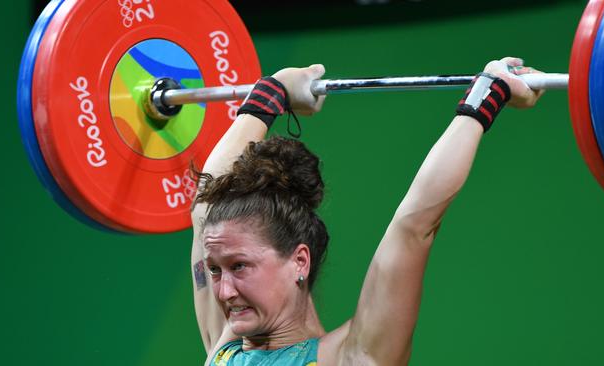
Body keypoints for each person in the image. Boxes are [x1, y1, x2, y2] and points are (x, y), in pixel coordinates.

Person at [190, 57, 544, 365]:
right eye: (216, 271)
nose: (224, 292)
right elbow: (207, 202)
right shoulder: (226, 349)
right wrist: (275, 89)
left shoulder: (354, 357)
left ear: (299, 260)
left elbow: (414, 225)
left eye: (239, 267)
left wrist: (488, 94)